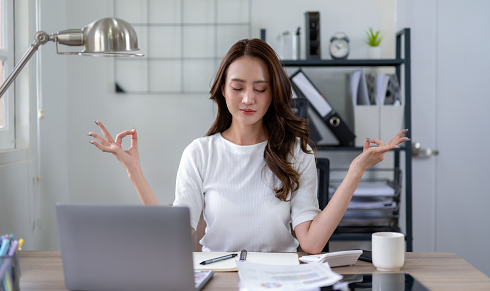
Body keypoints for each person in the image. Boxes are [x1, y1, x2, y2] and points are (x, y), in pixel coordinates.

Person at [89, 38, 408, 254]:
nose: (248, 99)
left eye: (260, 88)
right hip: (216, 280)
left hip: (280, 282)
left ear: (273, 94)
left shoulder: (296, 151)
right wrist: (134, 172)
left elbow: (311, 243)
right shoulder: (200, 153)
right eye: (238, 87)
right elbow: (175, 241)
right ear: (222, 91)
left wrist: (356, 170)